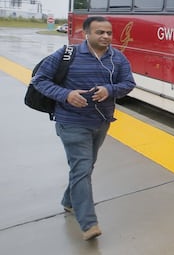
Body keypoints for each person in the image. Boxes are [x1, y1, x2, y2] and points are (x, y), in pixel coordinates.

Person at [32, 16, 136, 241]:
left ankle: (69, 201)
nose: (106, 37)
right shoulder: (66, 55)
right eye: (100, 32)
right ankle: (89, 223)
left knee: (86, 167)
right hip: (71, 121)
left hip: (101, 123)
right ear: (86, 33)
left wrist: (109, 90)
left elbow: (128, 83)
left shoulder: (118, 59)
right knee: (81, 167)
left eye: (109, 33)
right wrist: (66, 94)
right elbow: (39, 80)